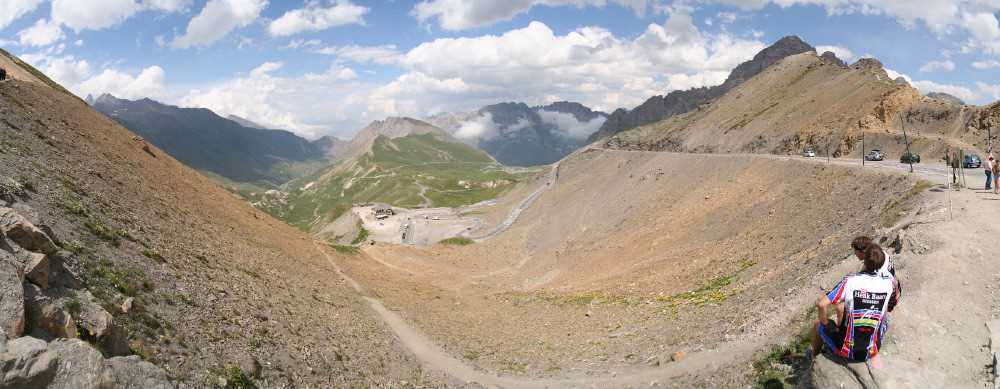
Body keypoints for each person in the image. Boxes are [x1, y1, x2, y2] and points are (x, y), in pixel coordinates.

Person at [811, 244, 896, 362]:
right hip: (872, 351)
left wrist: (826, 325)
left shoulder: (850, 281)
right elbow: (888, 306)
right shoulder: (889, 284)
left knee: (818, 324)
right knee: (887, 319)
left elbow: (821, 304)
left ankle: (813, 355)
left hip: (846, 350)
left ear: (864, 261)